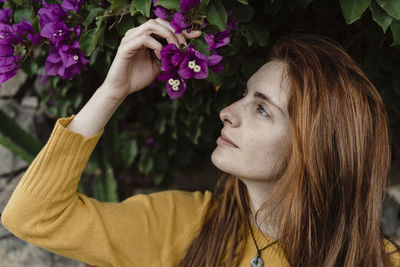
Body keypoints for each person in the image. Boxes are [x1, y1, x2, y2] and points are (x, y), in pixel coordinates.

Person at [1, 17, 400, 267]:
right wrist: (112, 91)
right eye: (244, 95)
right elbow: (32, 216)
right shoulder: (178, 225)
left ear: (317, 145)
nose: (228, 111)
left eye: (262, 108)